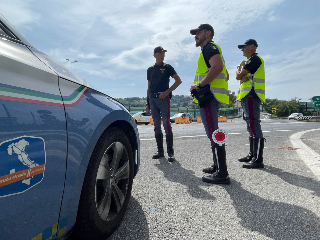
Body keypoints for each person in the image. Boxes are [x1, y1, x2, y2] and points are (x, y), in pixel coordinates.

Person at [189, 24, 230, 184]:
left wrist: (200, 85)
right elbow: (224, 72)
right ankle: (217, 166)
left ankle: (222, 173)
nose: (195, 36)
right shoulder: (212, 48)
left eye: (198, 33)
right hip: (212, 95)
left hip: (208, 96)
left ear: (208, 33)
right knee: (213, 132)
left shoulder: (209, 48)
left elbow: (218, 67)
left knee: (214, 133)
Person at [146, 46, 182, 162]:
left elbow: (178, 81)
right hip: (153, 99)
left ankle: (170, 153)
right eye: (160, 53)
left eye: (163, 53)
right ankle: (160, 152)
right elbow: (149, 87)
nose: (162, 55)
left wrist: (166, 92)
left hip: (163, 99)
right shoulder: (150, 70)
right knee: (156, 126)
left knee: (167, 125)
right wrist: (148, 103)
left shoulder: (168, 68)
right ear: (155, 55)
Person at [236, 39, 265, 169]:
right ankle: (252, 155)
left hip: (252, 95)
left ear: (252, 47)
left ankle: (258, 159)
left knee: (253, 124)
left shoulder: (255, 59)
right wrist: (243, 77)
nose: (242, 50)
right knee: (250, 125)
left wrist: (239, 68)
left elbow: (238, 76)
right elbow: (241, 79)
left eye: (244, 47)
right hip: (247, 95)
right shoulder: (250, 61)